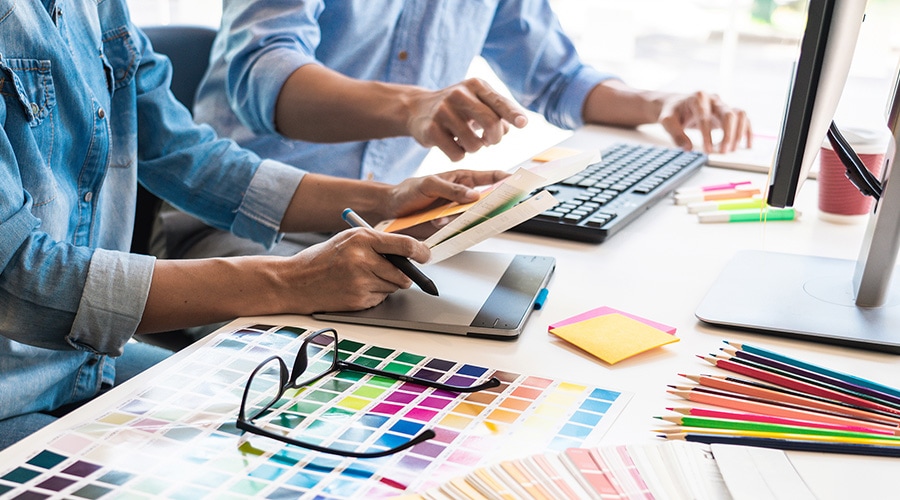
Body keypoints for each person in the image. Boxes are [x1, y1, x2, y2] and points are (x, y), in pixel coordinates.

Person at [0, 0, 506, 450]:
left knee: (324, 421)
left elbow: (184, 153)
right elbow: (19, 282)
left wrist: (387, 201)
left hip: (86, 369)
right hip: (12, 399)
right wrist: (291, 280)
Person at [154, 0, 752, 261]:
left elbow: (559, 79)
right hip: (235, 222)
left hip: (376, 222)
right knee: (328, 367)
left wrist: (662, 101)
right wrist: (412, 105)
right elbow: (262, 75)